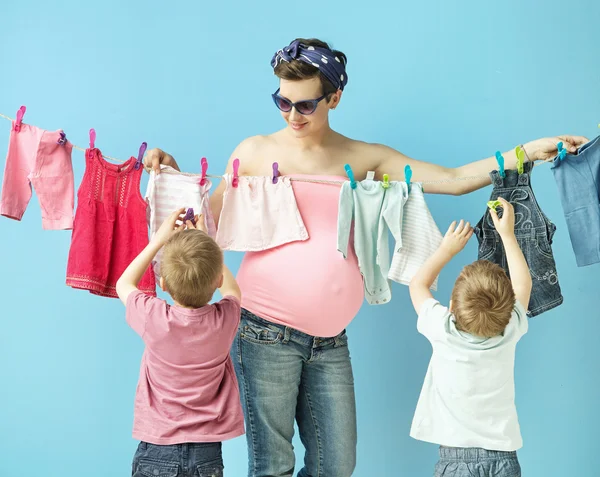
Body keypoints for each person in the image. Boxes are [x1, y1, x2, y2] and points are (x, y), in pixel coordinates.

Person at [143, 38, 587, 477]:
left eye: (305, 105)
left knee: (336, 466)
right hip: (263, 331)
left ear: (334, 97)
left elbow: (452, 180)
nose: (291, 115)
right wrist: (175, 175)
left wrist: (526, 151)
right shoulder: (255, 152)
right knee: (272, 466)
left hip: (330, 339)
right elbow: (202, 226)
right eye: (282, 101)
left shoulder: (363, 158)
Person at [116, 210, 244, 477]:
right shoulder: (225, 319)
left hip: (157, 449)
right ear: (217, 280)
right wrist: (206, 242)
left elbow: (124, 283)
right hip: (207, 454)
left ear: (162, 283)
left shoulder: (154, 317)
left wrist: (159, 241)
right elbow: (233, 291)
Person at [408, 198, 530, 477]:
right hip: (504, 459)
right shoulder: (510, 329)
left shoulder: (442, 329)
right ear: (508, 310)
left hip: (454, 461)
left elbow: (418, 284)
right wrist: (507, 235)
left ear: (451, 308)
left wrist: (446, 249)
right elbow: (524, 283)